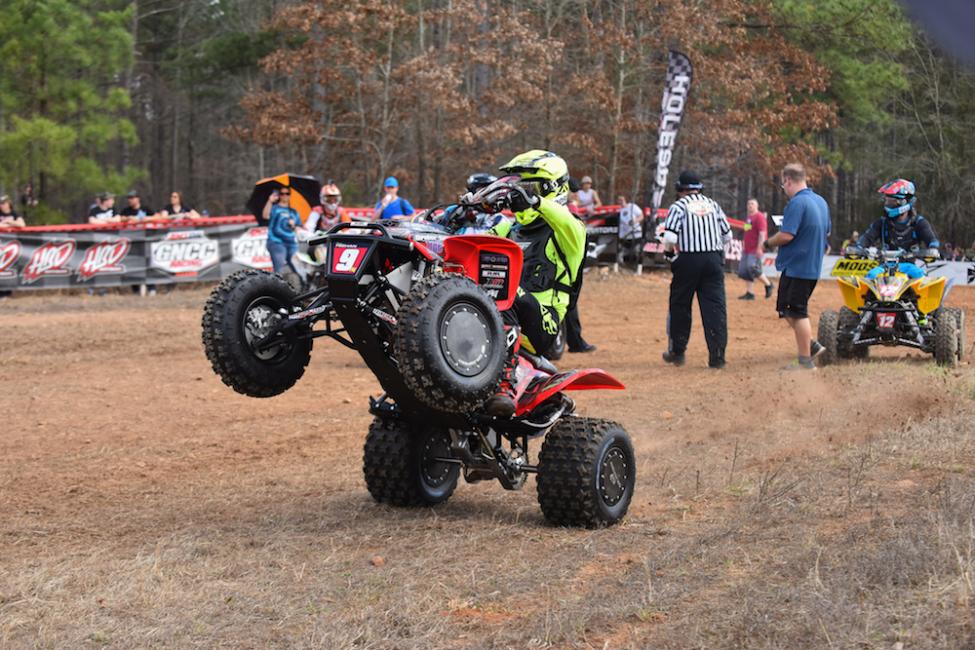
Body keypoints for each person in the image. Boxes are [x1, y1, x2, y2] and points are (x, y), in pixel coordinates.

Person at [483, 150, 586, 417]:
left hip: (544, 323)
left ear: (552, 187)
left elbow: (562, 218)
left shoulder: (571, 230)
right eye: (517, 186)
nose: (519, 193)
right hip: (504, 315)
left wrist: (535, 201)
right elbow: (478, 243)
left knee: (503, 287)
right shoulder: (509, 228)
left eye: (527, 185)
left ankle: (504, 385)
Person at [660, 171, 732, 369]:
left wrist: (669, 255)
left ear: (680, 189)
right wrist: (719, 257)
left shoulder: (678, 206)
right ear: (699, 188)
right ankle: (717, 357)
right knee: (715, 309)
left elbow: (671, 238)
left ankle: (678, 352)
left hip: (689, 260)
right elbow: (727, 235)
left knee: (680, 305)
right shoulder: (713, 205)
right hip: (714, 259)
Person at [764, 163, 831, 371]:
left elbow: (786, 235)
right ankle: (809, 344)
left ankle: (805, 361)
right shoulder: (820, 202)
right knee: (786, 309)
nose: (783, 188)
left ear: (788, 181)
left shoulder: (797, 203)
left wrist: (767, 243)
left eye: (783, 183)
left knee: (797, 311)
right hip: (806, 266)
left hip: (799, 266)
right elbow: (826, 232)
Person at [855, 179, 939, 281]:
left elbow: (932, 240)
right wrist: (858, 248)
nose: (887, 204)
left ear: (903, 202)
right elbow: (867, 237)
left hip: (909, 267)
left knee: (921, 278)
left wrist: (932, 249)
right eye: (886, 201)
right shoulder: (882, 222)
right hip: (885, 266)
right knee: (870, 277)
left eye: (891, 201)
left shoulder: (919, 223)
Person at [738, 198, 774, 300]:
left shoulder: (759, 217)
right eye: (748, 204)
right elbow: (747, 232)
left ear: (757, 206)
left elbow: (762, 234)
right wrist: (744, 245)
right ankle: (750, 293)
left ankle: (768, 284)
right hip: (747, 248)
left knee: (751, 267)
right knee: (744, 270)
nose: (750, 206)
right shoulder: (749, 217)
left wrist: (760, 248)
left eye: (752, 204)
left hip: (755, 248)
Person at [264, 187, 300, 276]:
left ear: (289, 195)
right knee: (279, 270)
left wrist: (293, 225)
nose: (284, 195)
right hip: (276, 242)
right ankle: (276, 288)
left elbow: (298, 229)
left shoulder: (293, 211)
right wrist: (270, 201)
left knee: (299, 269)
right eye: (282, 193)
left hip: (292, 243)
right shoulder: (274, 208)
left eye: (287, 193)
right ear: (279, 195)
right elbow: (265, 216)